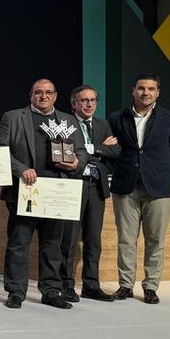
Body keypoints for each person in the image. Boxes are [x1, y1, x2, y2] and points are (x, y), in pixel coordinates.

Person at [0, 78, 86, 310]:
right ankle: (16, 292)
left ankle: (51, 291)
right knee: (18, 243)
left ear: (55, 96)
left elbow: (82, 152)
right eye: (38, 92)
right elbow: (0, 150)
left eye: (48, 92)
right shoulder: (13, 117)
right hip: (25, 191)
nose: (43, 96)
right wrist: (20, 169)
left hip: (57, 192)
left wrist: (76, 162)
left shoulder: (68, 120)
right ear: (31, 95)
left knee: (53, 245)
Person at [108, 74, 170, 304]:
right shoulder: (116, 118)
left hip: (158, 187)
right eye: (141, 88)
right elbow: (111, 149)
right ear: (133, 91)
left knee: (155, 240)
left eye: (151, 89)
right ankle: (125, 285)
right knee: (126, 239)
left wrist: (157, 170)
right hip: (125, 186)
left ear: (158, 92)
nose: (146, 93)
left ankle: (151, 287)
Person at [61, 85, 120, 302]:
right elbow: (65, 153)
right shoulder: (65, 122)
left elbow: (116, 151)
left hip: (96, 186)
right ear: (74, 103)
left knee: (93, 239)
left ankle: (91, 285)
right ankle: (66, 285)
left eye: (93, 100)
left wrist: (89, 149)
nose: (89, 104)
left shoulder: (103, 124)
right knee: (68, 239)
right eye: (84, 100)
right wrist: (98, 148)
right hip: (73, 184)